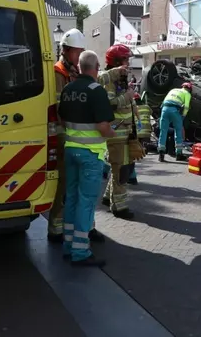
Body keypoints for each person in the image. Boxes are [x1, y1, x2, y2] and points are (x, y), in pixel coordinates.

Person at [59, 50, 116, 267]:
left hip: (70, 151)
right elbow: (103, 127)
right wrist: (112, 132)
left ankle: (68, 245)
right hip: (90, 155)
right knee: (86, 202)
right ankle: (81, 252)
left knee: (72, 198)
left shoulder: (67, 89)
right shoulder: (96, 90)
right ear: (95, 67)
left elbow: (63, 120)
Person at [48, 28, 104, 244]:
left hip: (77, 138)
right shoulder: (58, 73)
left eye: (82, 51)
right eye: (77, 51)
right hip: (64, 137)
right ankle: (56, 229)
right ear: (66, 50)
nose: (80, 56)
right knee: (66, 187)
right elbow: (60, 109)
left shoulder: (75, 73)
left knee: (86, 191)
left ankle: (87, 227)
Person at [97, 44, 136, 219]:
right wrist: (126, 97)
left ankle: (108, 198)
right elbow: (108, 104)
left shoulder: (121, 79)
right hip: (116, 133)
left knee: (121, 168)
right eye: (125, 59)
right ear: (116, 61)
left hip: (125, 132)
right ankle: (119, 207)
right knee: (120, 170)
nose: (128, 63)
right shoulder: (107, 80)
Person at [157, 83, 192, 162]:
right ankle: (179, 154)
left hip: (164, 109)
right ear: (189, 89)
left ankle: (161, 154)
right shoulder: (187, 93)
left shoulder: (173, 90)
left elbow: (163, 102)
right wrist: (183, 116)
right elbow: (186, 107)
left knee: (163, 131)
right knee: (178, 131)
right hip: (175, 110)